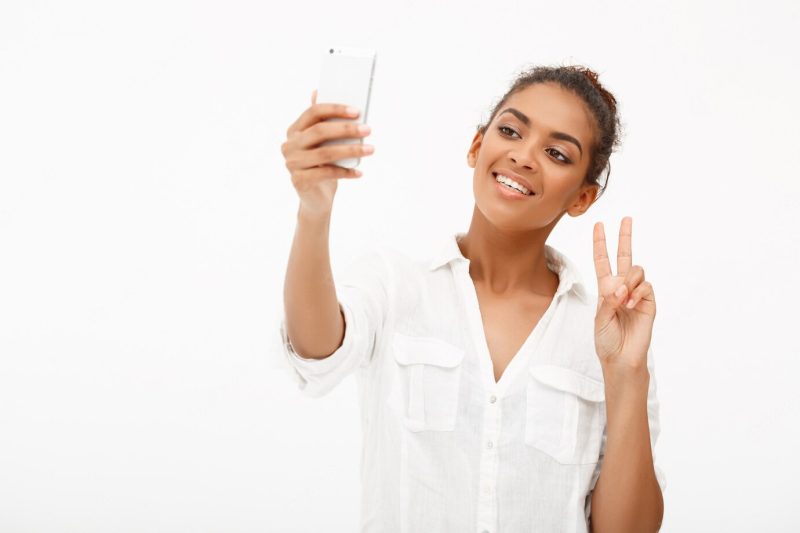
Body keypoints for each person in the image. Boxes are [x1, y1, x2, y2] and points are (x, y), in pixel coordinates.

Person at [275, 64, 666, 532]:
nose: (524, 156)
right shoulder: (396, 284)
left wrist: (626, 377)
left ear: (581, 199)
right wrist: (314, 210)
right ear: (477, 147)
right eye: (510, 131)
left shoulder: (606, 337)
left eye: (557, 154)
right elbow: (315, 350)